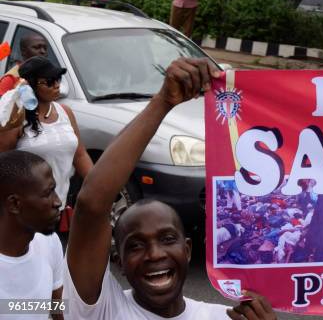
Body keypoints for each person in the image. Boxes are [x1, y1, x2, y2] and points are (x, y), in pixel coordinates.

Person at [64, 57, 277, 319]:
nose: (154, 255)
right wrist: (163, 101)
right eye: (135, 246)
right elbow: (92, 203)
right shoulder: (103, 310)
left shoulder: (224, 317)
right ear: (118, 262)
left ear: (187, 250)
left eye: (167, 239)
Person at [0, 57, 93, 230]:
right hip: (27, 214)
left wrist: (98, 185)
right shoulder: (16, 118)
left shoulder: (65, 112)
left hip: (60, 206)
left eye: (58, 79)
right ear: (31, 85)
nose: (56, 85)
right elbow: (3, 163)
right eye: (49, 82)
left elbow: (80, 154)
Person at [0, 150, 64, 320]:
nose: (58, 202)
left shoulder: (49, 242)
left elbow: (56, 307)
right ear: (14, 204)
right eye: (47, 193)